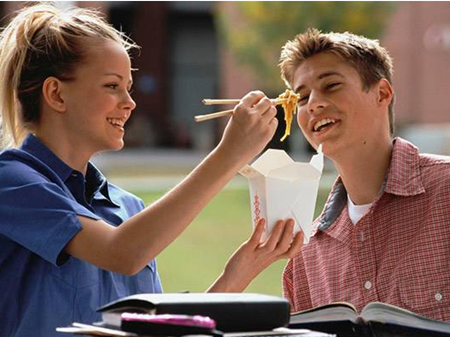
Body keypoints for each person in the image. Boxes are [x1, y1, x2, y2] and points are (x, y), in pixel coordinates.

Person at [0, 4, 303, 336]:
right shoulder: (11, 182)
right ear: (56, 94)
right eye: (112, 86)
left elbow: (161, 330)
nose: (129, 102)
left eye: (128, 87)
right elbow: (121, 252)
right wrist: (229, 156)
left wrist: (241, 271)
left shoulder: (129, 210)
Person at [278, 28, 450, 322]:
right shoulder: (305, 257)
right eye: (302, 97)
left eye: (331, 85)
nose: (314, 104)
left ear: (382, 93)